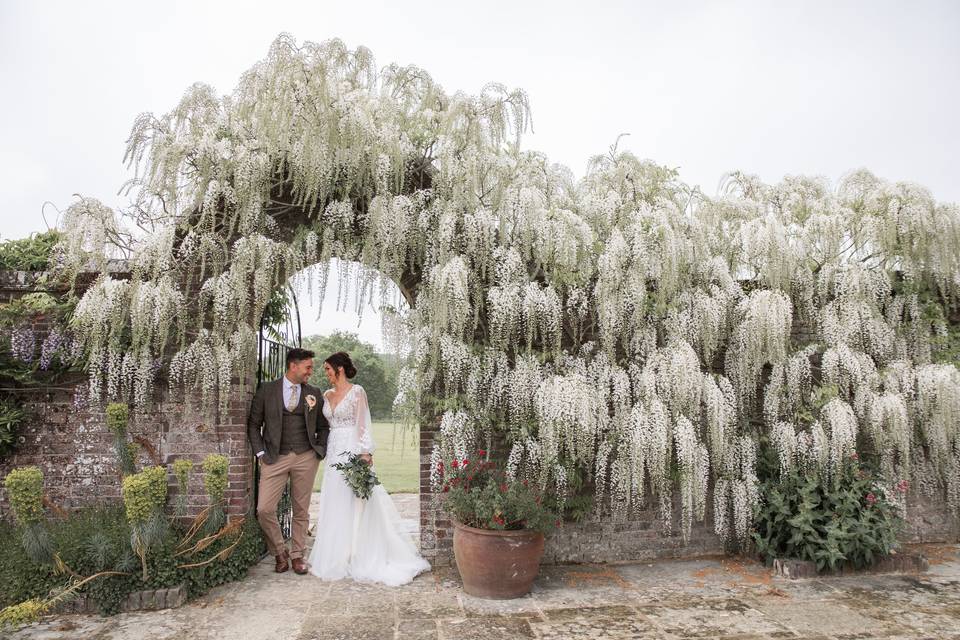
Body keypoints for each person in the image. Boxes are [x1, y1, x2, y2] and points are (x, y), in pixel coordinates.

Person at [308, 351, 430, 586]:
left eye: (327, 369)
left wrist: (365, 453)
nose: (326, 374)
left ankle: (360, 551)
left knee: (358, 501)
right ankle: (337, 554)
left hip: (352, 450)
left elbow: (363, 424)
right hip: (334, 451)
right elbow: (323, 425)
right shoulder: (326, 394)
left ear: (339, 369)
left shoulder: (357, 392)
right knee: (334, 499)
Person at [247, 348, 330, 574]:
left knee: (301, 510)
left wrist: (318, 451)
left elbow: (323, 427)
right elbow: (254, 425)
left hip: (306, 457)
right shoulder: (267, 390)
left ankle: (297, 555)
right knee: (264, 509)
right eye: (308, 367)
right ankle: (279, 551)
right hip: (275, 457)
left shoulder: (314, 392)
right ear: (293, 366)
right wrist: (260, 454)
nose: (310, 372)